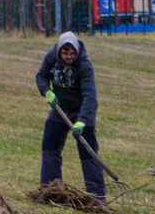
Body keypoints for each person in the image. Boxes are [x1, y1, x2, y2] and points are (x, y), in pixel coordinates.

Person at [35, 31, 106, 202]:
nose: (69, 57)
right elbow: (41, 76)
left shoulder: (84, 66)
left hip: (82, 111)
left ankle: (97, 197)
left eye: (72, 53)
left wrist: (82, 121)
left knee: (87, 152)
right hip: (60, 110)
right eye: (65, 53)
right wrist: (47, 92)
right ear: (59, 51)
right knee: (49, 146)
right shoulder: (51, 58)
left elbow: (90, 97)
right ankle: (50, 191)